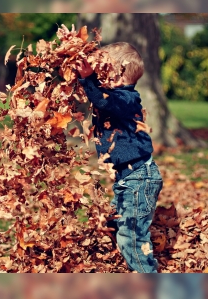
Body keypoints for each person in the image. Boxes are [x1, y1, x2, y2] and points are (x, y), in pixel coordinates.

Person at [75, 38, 163, 273]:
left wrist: (87, 79)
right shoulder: (113, 96)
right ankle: (130, 264)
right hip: (127, 180)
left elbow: (104, 102)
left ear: (121, 76)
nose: (101, 76)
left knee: (131, 237)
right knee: (114, 223)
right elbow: (100, 97)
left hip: (139, 179)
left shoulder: (127, 99)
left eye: (105, 71)